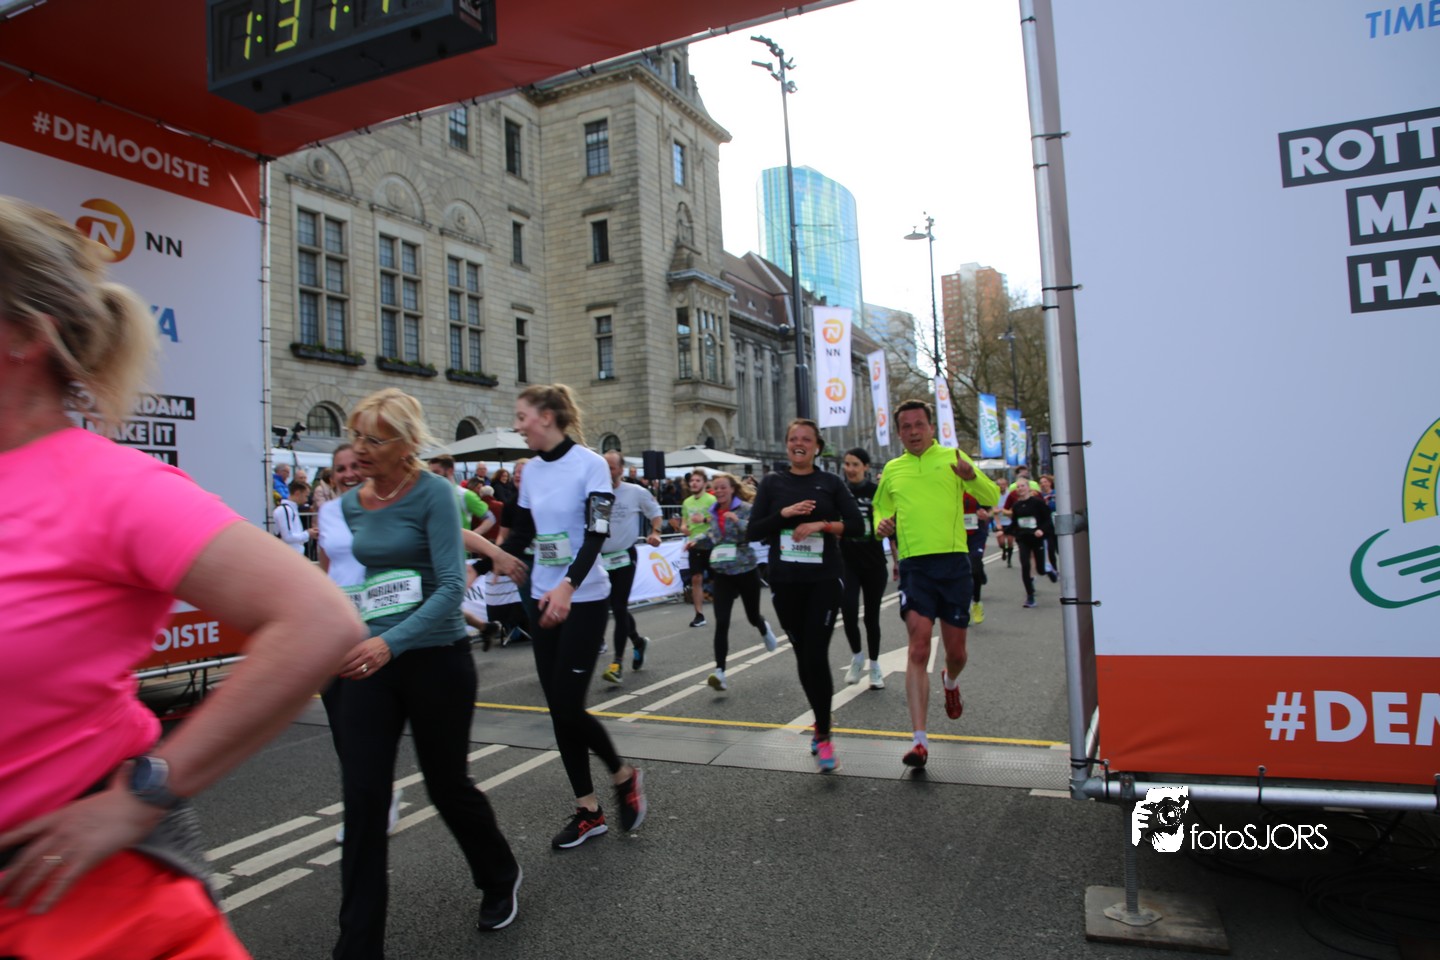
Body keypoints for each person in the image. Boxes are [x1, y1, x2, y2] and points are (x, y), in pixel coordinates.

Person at [0, 195, 364, 958]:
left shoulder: (107, 486)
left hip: (78, 902)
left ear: (25, 335)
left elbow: (319, 618)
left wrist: (144, 795)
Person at [333, 388, 522, 955]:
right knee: (364, 798)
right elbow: (363, 583)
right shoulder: (351, 503)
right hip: (372, 660)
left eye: (373, 439)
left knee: (446, 786)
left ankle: (499, 875)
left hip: (436, 658)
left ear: (406, 444)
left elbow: (448, 588)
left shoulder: (435, 493)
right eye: (356, 435)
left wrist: (389, 643)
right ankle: (357, 946)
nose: (359, 448)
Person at [501, 385, 646, 849]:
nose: (518, 425)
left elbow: (596, 532)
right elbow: (521, 533)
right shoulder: (530, 471)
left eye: (522, 416)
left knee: (567, 704)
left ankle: (623, 776)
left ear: (546, 416)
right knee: (558, 711)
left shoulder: (591, 464)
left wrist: (568, 585)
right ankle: (588, 810)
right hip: (543, 597)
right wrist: (481, 565)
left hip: (584, 598)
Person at [873, 399, 1000, 770]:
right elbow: (880, 508)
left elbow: (992, 498)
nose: (913, 432)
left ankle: (950, 680)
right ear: (899, 433)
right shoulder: (893, 469)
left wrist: (970, 477)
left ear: (931, 427)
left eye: (919, 424)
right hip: (915, 567)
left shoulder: (953, 458)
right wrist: (881, 523)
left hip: (954, 563)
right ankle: (919, 741)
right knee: (917, 647)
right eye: (906, 427)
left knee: (956, 653)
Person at [748, 419, 863, 773]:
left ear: (817, 446)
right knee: (803, 655)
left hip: (823, 580)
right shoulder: (772, 483)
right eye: (793, 439)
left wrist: (821, 525)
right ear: (787, 444)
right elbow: (752, 530)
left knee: (815, 652)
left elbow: (857, 525)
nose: (799, 444)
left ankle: (824, 734)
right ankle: (821, 719)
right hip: (785, 581)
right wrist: (782, 515)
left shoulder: (830, 483)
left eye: (806, 439)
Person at [702, 473, 778, 691]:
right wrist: (695, 540)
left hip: (745, 569)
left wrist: (739, 521)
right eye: (716, 488)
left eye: (723, 487)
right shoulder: (713, 511)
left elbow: (756, 532)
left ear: (732, 489)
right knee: (721, 621)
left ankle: (763, 627)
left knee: (752, 616)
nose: (719, 491)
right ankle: (720, 672)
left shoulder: (744, 508)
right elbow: (713, 537)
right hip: (722, 572)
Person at [599, 450, 664, 684]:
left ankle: (617, 663)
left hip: (625, 556)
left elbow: (656, 513)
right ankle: (637, 641)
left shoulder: (635, 492)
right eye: (604, 467)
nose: (608, 472)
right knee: (613, 607)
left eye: (611, 467)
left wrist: (656, 532)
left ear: (621, 470)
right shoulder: (596, 494)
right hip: (600, 558)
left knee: (618, 606)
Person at [839, 448, 888, 690]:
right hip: (848, 562)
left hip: (874, 563)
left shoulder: (876, 492)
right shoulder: (840, 492)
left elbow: (889, 523)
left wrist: (899, 561)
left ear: (866, 467)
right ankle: (857, 657)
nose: (850, 469)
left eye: (855, 464)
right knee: (848, 611)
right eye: (847, 464)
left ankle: (875, 666)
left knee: (871, 617)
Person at [1006, 477, 1056, 608]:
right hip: (1023, 539)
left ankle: (1047, 570)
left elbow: (1047, 520)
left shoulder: (1038, 503)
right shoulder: (1016, 506)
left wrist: (1041, 530)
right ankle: (1030, 596)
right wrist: (1004, 530)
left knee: (1040, 569)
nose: (1020, 489)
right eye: (1018, 487)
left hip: (1037, 539)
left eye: (1022, 486)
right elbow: (1015, 523)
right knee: (1025, 565)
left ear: (1028, 487)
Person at [680, 470, 716, 627]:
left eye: (698, 480)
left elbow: (718, 519)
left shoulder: (711, 499)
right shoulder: (687, 502)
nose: (693, 483)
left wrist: (704, 519)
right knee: (696, 578)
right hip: (693, 544)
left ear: (704, 483)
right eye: (692, 480)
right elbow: (684, 521)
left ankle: (722, 608)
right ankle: (699, 615)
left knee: (716, 578)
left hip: (711, 543)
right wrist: (683, 528)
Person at [963, 493, 991, 625]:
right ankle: (964, 608)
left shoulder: (976, 489)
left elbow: (990, 508)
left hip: (976, 535)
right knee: (962, 572)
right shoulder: (950, 488)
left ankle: (976, 602)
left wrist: (986, 514)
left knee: (975, 568)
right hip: (959, 535)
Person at [274, 478, 313, 556]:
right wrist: (307, 534)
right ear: (297, 493)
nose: (306, 500)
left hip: (293, 555)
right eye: (306, 496)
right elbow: (287, 537)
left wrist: (308, 534)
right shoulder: (285, 510)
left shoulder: (291, 509)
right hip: (288, 555)